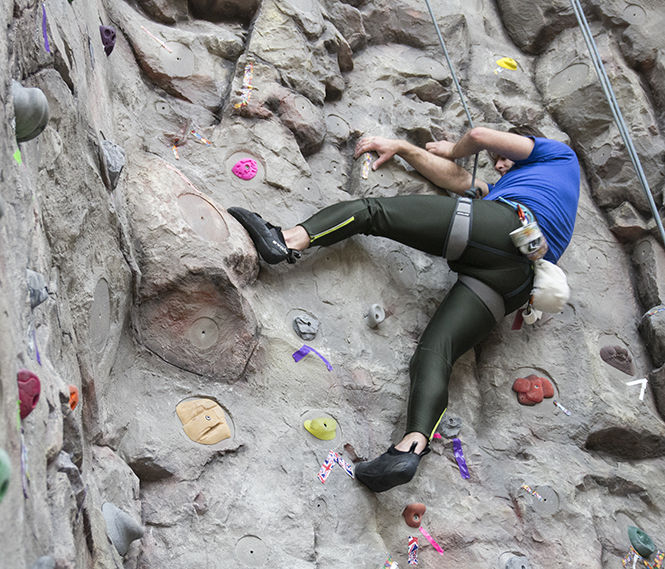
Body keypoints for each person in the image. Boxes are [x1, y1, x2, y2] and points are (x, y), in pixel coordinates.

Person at [228, 125, 580, 492]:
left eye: (505, 158)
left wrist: (452, 148)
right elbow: (460, 182)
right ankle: (409, 448)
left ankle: (284, 241)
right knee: (435, 353)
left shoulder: (559, 154)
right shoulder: (517, 187)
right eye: (496, 162)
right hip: (516, 281)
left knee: (373, 212)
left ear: (528, 144)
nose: (501, 165)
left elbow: (478, 136)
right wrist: (402, 148)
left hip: (508, 227)